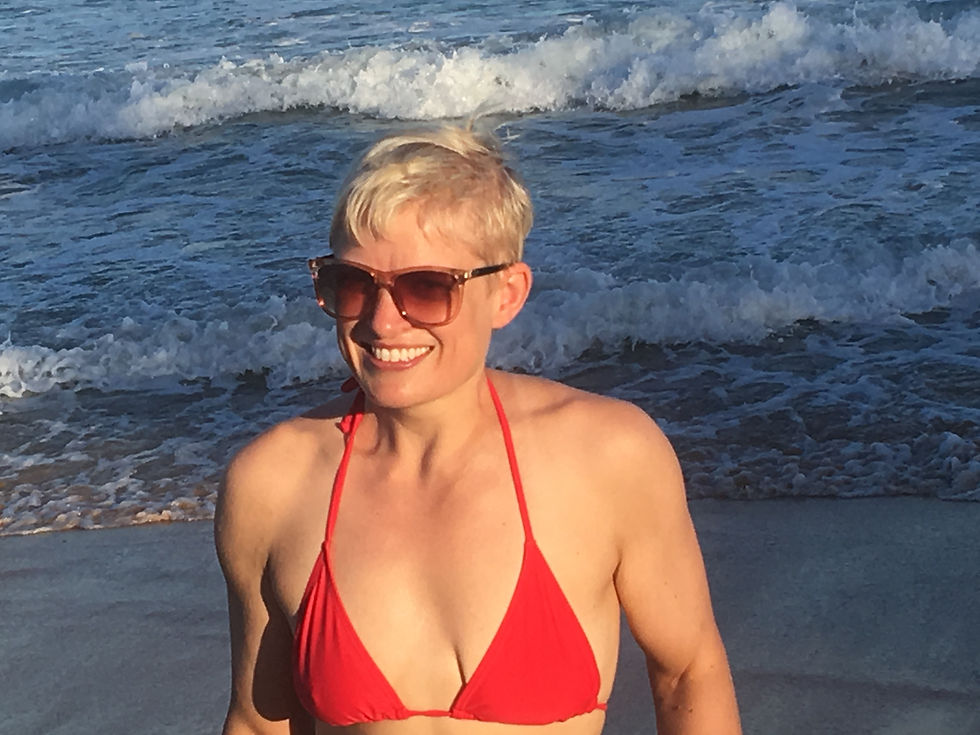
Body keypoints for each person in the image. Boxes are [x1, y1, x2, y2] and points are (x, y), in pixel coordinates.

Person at [214, 125, 741, 735]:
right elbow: (260, 723)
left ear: (506, 294)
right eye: (353, 284)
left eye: (427, 287)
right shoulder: (272, 484)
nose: (385, 322)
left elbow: (687, 672)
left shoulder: (607, 456)